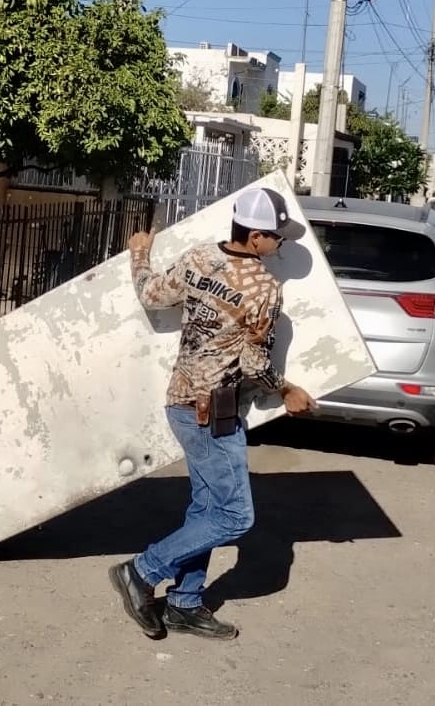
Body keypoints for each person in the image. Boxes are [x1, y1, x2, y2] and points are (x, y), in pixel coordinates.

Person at [109, 187, 317, 641]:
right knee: (235, 515)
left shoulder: (198, 257)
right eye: (278, 238)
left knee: (206, 508)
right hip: (211, 413)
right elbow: (253, 362)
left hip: (180, 402)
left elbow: (150, 293)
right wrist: (288, 391)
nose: (280, 245)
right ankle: (142, 571)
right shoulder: (264, 288)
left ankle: (185, 603)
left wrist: (140, 254)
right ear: (258, 237)